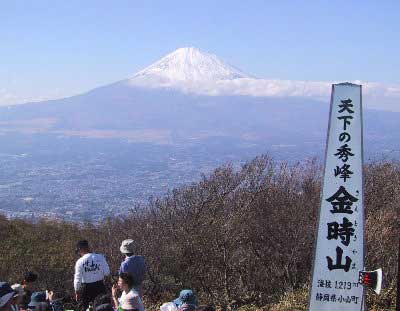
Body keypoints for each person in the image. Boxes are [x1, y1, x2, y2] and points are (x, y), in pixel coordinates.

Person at [74, 240, 110, 311]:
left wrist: (77, 291)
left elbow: (77, 279)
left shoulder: (80, 262)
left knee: (87, 308)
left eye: (78, 251)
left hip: (87, 289)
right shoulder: (100, 257)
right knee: (103, 307)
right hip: (100, 287)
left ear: (80, 249)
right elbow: (107, 272)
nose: (78, 253)